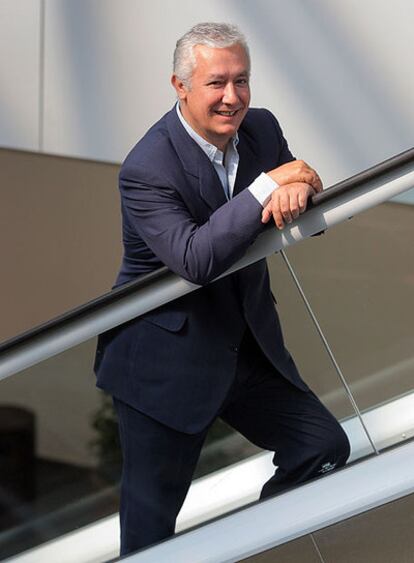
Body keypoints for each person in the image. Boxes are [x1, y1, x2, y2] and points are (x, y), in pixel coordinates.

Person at [95, 22, 350, 556]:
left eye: (242, 81)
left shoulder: (262, 129)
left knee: (322, 445)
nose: (232, 98)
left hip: (242, 347)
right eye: (216, 83)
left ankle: (241, 546)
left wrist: (299, 185)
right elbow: (195, 259)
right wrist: (269, 187)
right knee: (149, 533)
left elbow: (299, 196)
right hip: (162, 361)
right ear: (180, 86)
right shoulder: (146, 169)